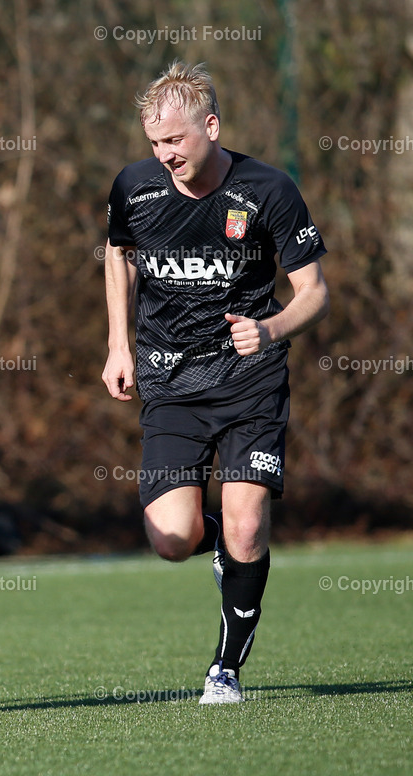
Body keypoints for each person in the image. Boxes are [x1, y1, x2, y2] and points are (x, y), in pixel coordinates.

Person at [103, 62, 329, 704]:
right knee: (172, 540)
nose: (164, 155)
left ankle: (224, 669)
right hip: (170, 381)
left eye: (175, 140)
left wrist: (274, 326)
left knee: (247, 524)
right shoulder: (135, 187)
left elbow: (315, 292)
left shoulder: (269, 189)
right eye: (154, 143)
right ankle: (221, 543)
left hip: (251, 382)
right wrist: (118, 344)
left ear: (211, 126)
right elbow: (117, 254)